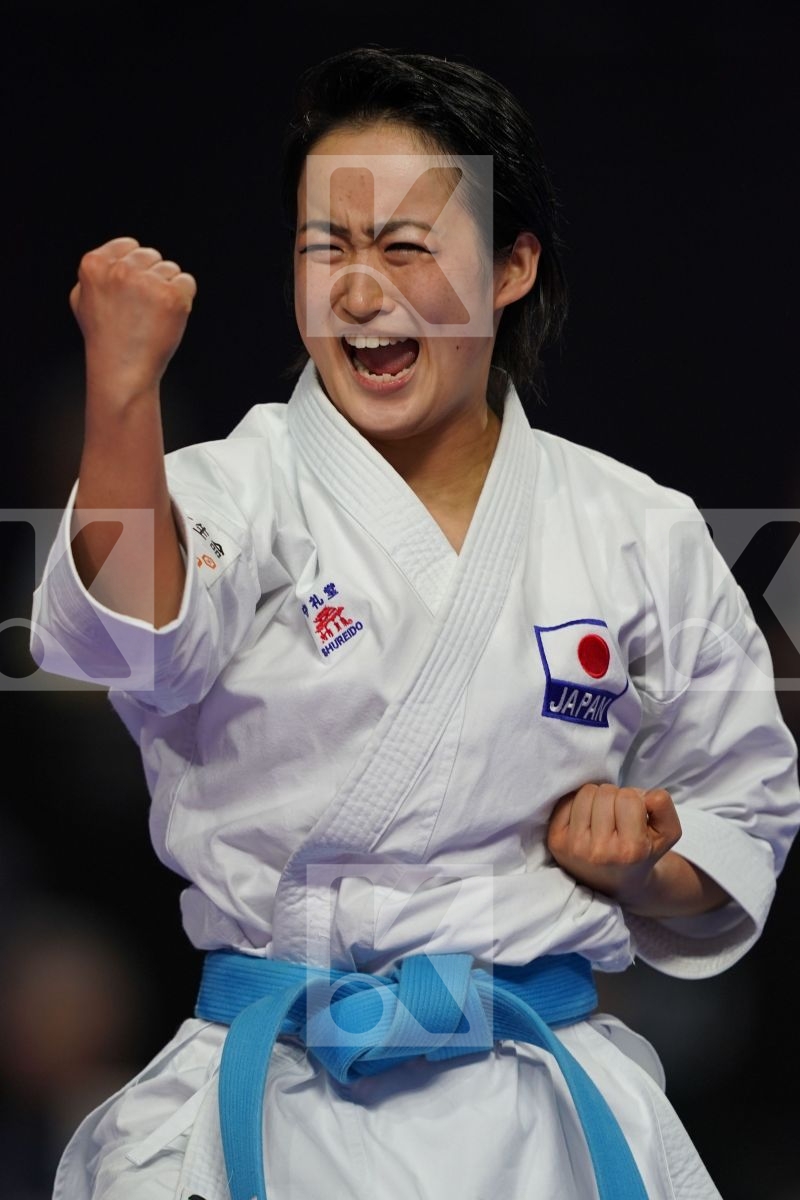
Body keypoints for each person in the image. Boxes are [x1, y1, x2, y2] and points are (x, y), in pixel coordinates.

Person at [30, 45, 800, 1200]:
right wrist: (122, 392)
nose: (355, 289)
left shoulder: (634, 526)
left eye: (401, 247)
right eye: (323, 248)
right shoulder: (236, 487)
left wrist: (644, 865)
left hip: (539, 1113)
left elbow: (741, 814)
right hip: (273, 1096)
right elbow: (132, 635)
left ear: (509, 267)